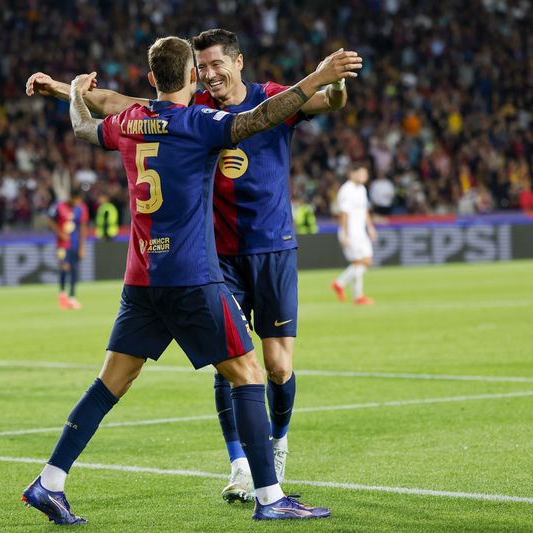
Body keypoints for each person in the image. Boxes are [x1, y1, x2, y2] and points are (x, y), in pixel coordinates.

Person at [22, 36, 359, 524]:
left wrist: (72, 90)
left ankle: (49, 481)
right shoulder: (200, 123)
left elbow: (84, 125)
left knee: (112, 380)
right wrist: (318, 75)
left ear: (153, 79)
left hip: (140, 279)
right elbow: (258, 119)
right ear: (192, 76)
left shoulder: (130, 122)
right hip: (192, 277)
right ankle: (269, 496)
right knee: (248, 374)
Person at [332, 163, 377, 305]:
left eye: (365, 174)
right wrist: (344, 234)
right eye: (362, 173)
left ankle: (343, 286)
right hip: (351, 232)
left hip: (361, 231)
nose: (365, 176)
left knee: (363, 263)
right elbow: (344, 214)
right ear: (353, 174)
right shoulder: (346, 190)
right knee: (362, 262)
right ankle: (355, 294)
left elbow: (364, 210)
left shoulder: (362, 189)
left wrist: (370, 228)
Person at [48, 187, 88, 310]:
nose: (77, 202)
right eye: (76, 199)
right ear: (71, 197)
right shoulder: (59, 207)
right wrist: (60, 233)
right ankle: (62, 295)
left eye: (79, 200)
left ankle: (72, 298)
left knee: (74, 270)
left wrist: (82, 247)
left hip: (75, 245)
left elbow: (82, 228)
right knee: (64, 268)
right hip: (62, 245)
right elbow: (50, 222)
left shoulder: (81, 208)